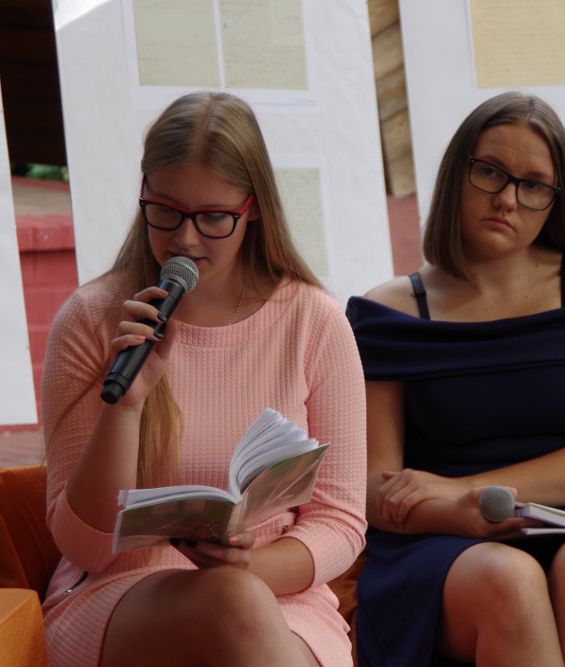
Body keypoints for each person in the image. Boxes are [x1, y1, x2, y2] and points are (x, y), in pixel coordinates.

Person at [345, 91, 565, 666]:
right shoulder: (389, 311)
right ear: (457, 172)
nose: (508, 199)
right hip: (439, 539)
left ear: (556, 200)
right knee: (508, 578)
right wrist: (452, 509)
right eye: (490, 172)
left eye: (533, 184)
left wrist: (471, 489)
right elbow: (373, 486)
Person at [39, 91, 367, 667]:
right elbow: (84, 546)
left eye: (213, 217)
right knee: (233, 603)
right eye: (165, 210)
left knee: (240, 603)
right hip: (121, 593)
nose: (184, 239)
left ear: (254, 208)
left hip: (280, 594)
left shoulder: (313, 320)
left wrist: (249, 566)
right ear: (143, 193)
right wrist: (125, 408)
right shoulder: (92, 317)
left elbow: (340, 522)